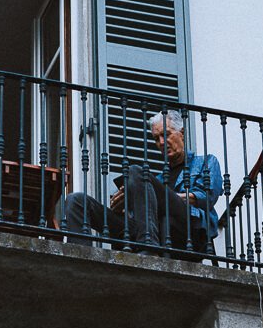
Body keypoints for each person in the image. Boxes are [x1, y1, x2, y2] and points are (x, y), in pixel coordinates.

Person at [64, 109, 223, 256]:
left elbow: (205, 197)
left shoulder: (206, 162)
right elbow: (140, 217)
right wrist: (123, 207)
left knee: (135, 171)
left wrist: (162, 197)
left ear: (181, 133)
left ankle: (149, 248)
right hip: (153, 232)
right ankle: (80, 255)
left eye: (166, 134)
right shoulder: (158, 180)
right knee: (76, 201)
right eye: (156, 138)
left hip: (189, 229)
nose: (161, 142)